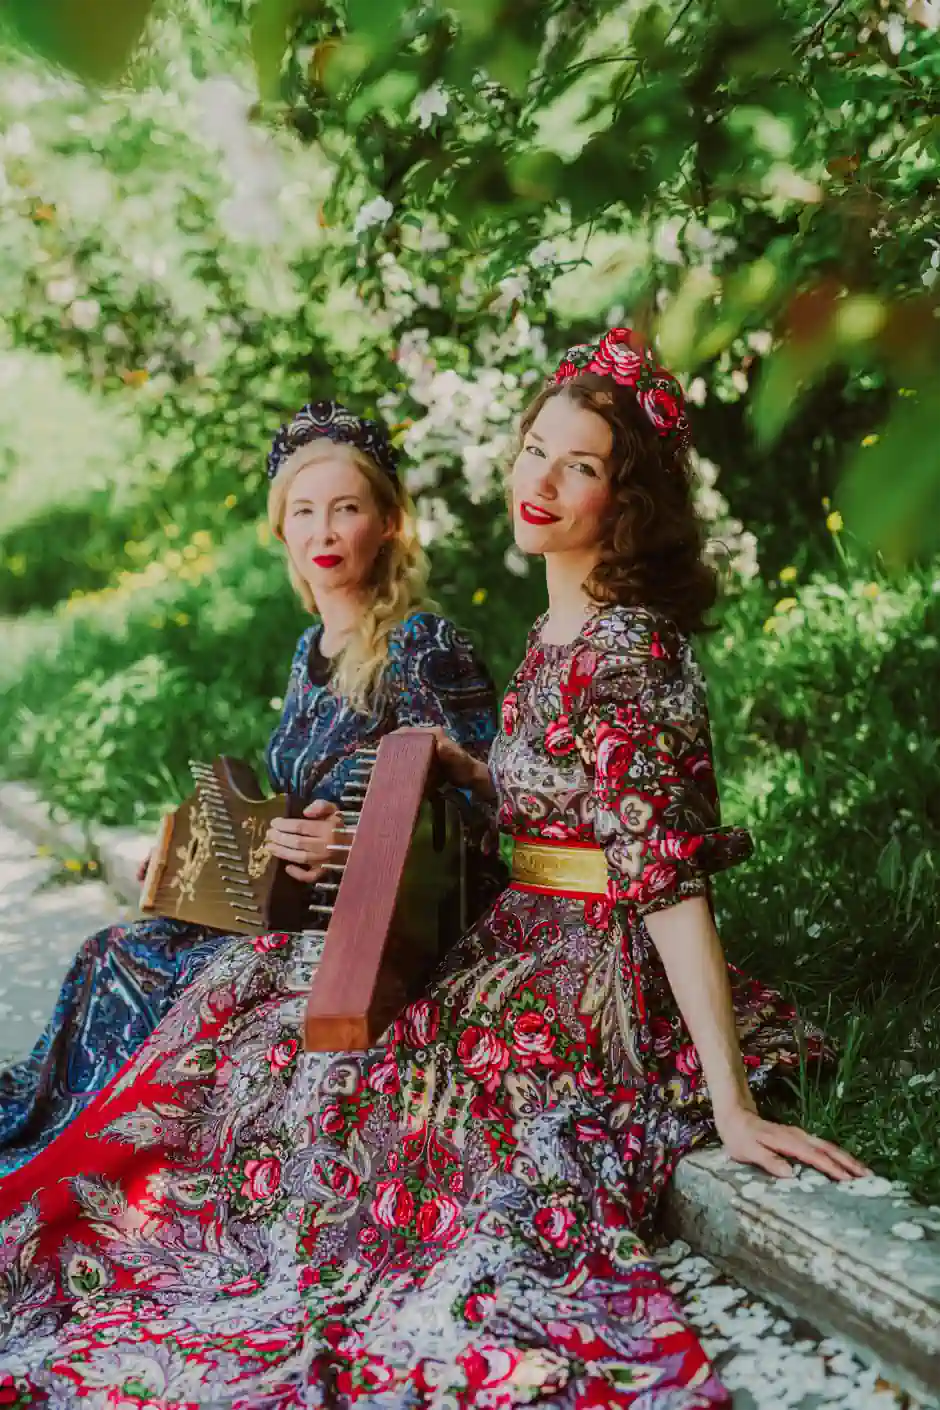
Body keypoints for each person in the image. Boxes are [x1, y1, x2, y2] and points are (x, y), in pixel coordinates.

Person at [0, 333, 867, 1407]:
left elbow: (663, 874)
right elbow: (557, 808)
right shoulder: (560, 625)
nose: (540, 481)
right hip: (523, 929)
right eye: (534, 449)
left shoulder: (630, 650)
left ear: (626, 500)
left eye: (582, 467)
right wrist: (466, 766)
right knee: (250, 1005)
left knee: (323, 1068)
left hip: (582, 961)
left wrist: (728, 1105)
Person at [0, 400, 498, 1176]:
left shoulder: (420, 645)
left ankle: (100, 1164)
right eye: (303, 511)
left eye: (346, 509)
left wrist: (362, 848)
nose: (323, 532)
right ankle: (64, 1144)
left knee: (153, 971)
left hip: (373, 939)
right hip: (293, 912)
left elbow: (485, 810)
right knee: (112, 953)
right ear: (281, 531)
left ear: (389, 522)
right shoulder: (312, 648)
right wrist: (192, 865)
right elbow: (291, 802)